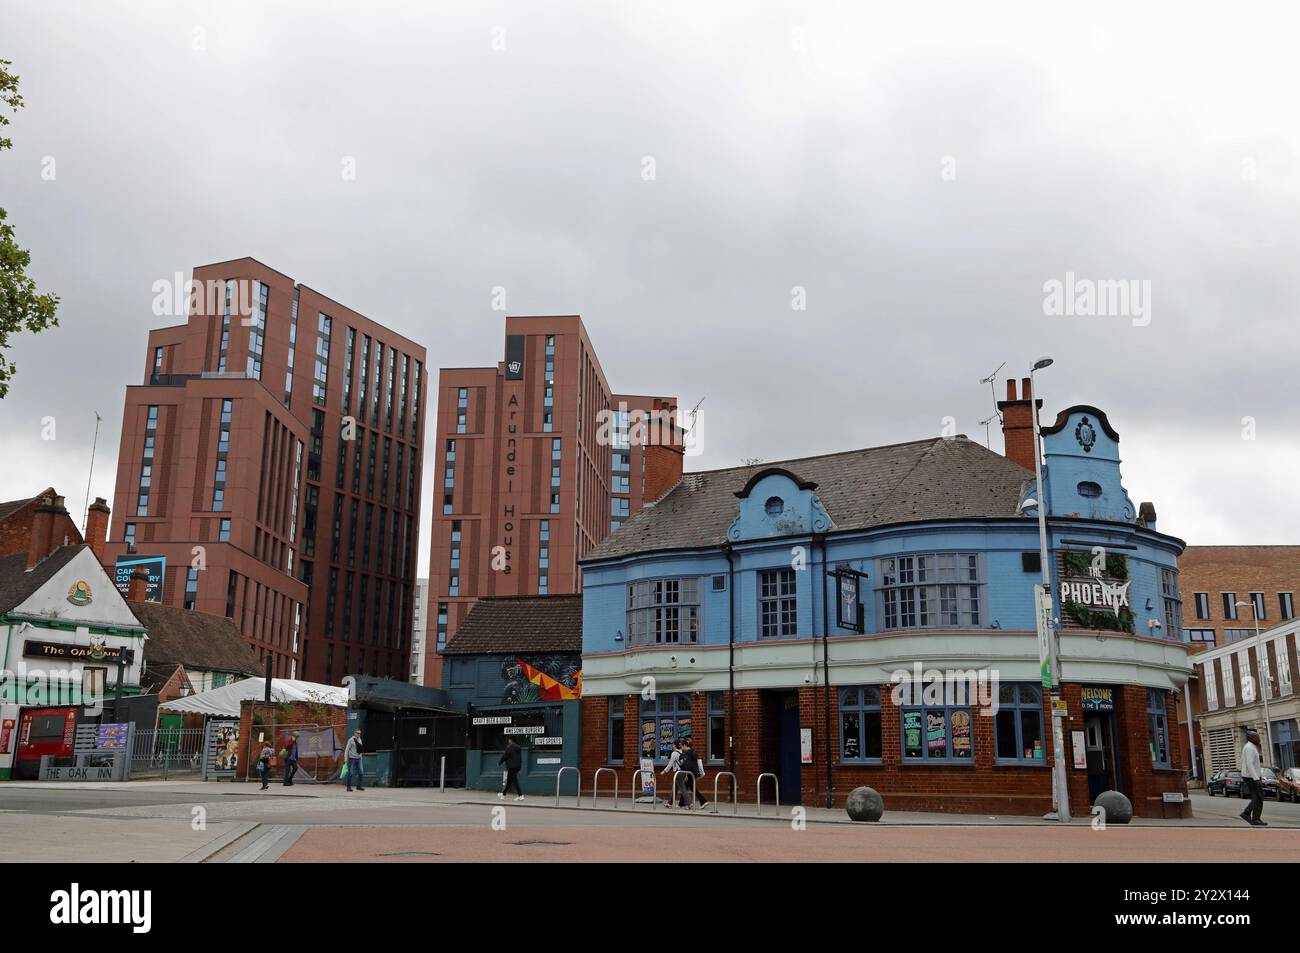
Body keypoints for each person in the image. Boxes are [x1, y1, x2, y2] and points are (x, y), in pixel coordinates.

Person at [1240, 728, 1267, 827]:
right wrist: (1256, 779)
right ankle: (1255, 818)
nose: (1259, 739)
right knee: (1259, 797)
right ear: (1251, 738)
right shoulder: (1249, 748)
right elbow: (1249, 764)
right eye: (1257, 737)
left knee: (1257, 797)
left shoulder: (1251, 747)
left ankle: (1247, 813)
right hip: (1251, 777)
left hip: (1251, 776)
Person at [678, 740, 709, 809]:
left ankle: (703, 801)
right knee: (686, 787)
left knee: (691, 788)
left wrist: (685, 774)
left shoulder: (687, 754)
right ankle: (681, 803)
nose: (680, 747)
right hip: (694, 773)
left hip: (689, 773)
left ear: (684, 745)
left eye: (681, 746)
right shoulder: (693, 752)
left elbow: (687, 765)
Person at [661, 739, 689, 807]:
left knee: (683, 789)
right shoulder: (682, 752)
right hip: (683, 772)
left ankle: (689, 803)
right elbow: (685, 764)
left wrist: (664, 771)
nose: (672, 746)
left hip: (677, 772)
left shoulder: (674, 753)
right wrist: (686, 775)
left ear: (675, 745)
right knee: (675, 789)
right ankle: (669, 803)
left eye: (673, 744)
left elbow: (670, 764)